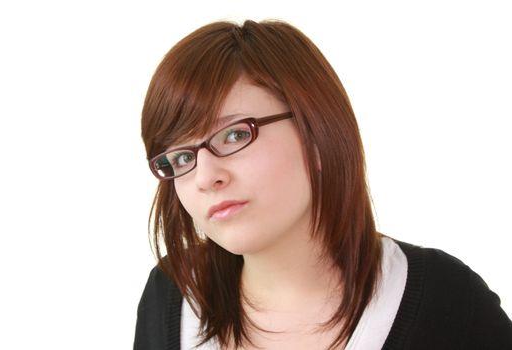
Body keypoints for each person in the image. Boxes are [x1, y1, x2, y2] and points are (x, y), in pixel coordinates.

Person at [133, 20, 512, 350]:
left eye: (233, 135)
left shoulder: (446, 303)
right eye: (182, 158)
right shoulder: (171, 294)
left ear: (315, 134)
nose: (205, 177)